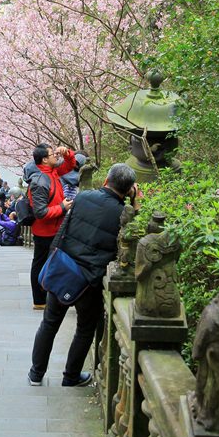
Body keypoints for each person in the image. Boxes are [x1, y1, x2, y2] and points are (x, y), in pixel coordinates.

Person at [29, 163, 137, 387]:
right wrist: (134, 205)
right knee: (85, 328)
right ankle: (70, 377)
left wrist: (53, 257)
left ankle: (36, 374)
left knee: (49, 322)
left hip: (64, 268)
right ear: (128, 190)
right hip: (90, 279)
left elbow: (63, 230)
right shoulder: (122, 214)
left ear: (106, 181)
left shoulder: (83, 197)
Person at [28, 144, 77, 309]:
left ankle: (47, 298)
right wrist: (62, 207)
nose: (56, 155)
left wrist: (68, 153)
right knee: (41, 263)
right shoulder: (40, 180)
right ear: (44, 159)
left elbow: (71, 165)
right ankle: (39, 300)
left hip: (55, 229)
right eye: (52, 154)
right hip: (44, 231)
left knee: (49, 263)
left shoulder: (53, 173)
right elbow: (40, 212)